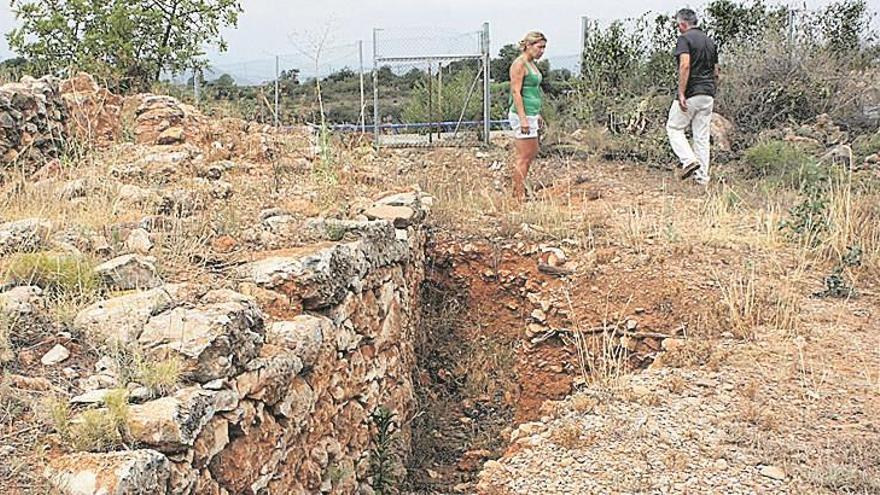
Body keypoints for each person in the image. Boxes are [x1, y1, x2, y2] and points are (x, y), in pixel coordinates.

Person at [666, 8, 719, 185]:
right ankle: (702, 178)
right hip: (708, 94)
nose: (678, 29)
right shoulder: (710, 41)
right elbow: (716, 71)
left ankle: (688, 161)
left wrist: (681, 92)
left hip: (691, 92)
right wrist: (712, 90)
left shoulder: (684, 39)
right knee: (701, 137)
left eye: (678, 25)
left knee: (674, 127)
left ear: (682, 24)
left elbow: (685, 66)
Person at [509, 31, 547, 200]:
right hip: (522, 115)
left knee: (531, 153)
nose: (542, 51)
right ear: (528, 46)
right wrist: (523, 118)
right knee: (524, 156)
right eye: (539, 47)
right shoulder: (519, 64)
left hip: (531, 113)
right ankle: (519, 196)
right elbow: (516, 92)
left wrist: (536, 114)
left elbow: (532, 91)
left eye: (544, 47)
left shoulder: (532, 63)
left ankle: (519, 190)